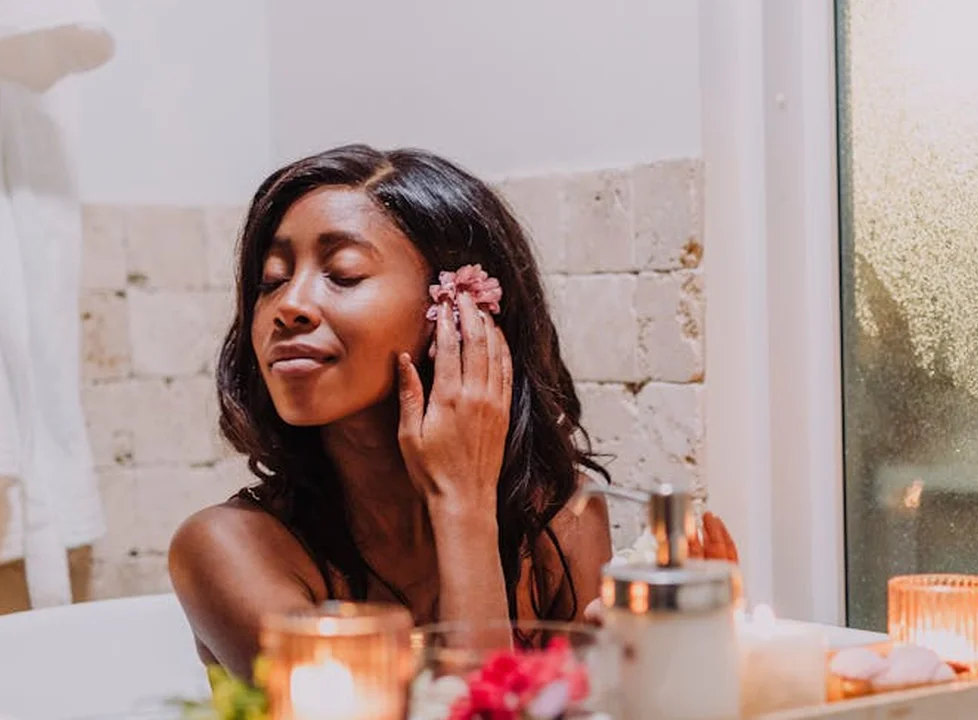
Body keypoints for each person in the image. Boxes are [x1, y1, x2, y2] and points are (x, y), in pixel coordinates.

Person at [167, 144, 738, 679]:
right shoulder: (226, 551)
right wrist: (461, 501)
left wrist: (634, 672)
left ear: (458, 312)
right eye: (272, 281)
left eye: (342, 274)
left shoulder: (560, 523)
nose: (288, 305)